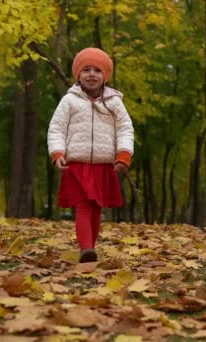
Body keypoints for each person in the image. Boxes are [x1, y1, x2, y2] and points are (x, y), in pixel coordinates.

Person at [47, 47, 134, 263]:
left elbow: (125, 128)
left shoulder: (114, 102)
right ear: (78, 74)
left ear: (105, 75)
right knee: (84, 206)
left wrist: (123, 154)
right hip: (77, 164)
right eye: (86, 70)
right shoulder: (69, 101)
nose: (92, 74)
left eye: (97, 70)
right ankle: (86, 248)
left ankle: (90, 249)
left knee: (96, 208)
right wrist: (57, 152)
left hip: (103, 165)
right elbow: (56, 128)